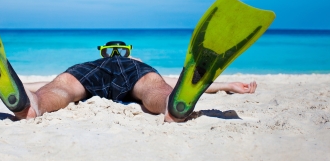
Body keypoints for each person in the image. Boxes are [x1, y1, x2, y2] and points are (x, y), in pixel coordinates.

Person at [13, 42, 257, 122]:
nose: (117, 55)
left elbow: (55, 83)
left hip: (94, 75)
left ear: (130, 53)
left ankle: (35, 104)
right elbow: (171, 81)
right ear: (102, 53)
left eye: (121, 50)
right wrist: (24, 85)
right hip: (133, 74)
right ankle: (170, 105)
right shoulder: (134, 62)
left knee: (62, 85)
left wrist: (227, 86)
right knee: (155, 86)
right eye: (110, 51)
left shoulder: (94, 63)